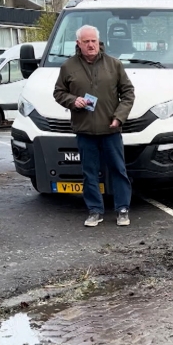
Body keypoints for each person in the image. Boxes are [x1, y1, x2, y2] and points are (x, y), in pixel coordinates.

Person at [53, 25, 135, 227]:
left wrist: (119, 117)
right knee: (89, 172)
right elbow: (58, 92)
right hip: (85, 130)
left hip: (111, 129)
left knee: (118, 170)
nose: (91, 45)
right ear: (78, 44)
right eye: (86, 41)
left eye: (93, 41)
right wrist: (72, 100)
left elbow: (128, 93)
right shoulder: (68, 67)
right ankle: (95, 210)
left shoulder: (114, 65)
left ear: (99, 43)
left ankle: (122, 209)